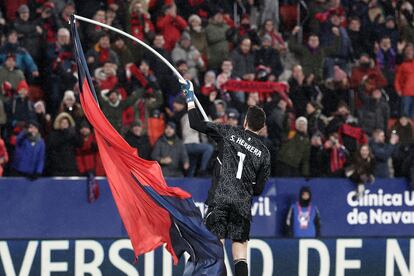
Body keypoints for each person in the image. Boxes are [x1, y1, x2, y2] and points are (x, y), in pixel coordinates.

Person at [183, 80, 270, 276]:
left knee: (215, 248)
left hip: (220, 200)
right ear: (262, 126)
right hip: (241, 204)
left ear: (245, 122)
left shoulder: (229, 133)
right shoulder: (264, 153)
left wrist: (190, 97)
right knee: (240, 254)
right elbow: (259, 190)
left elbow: (195, 123)